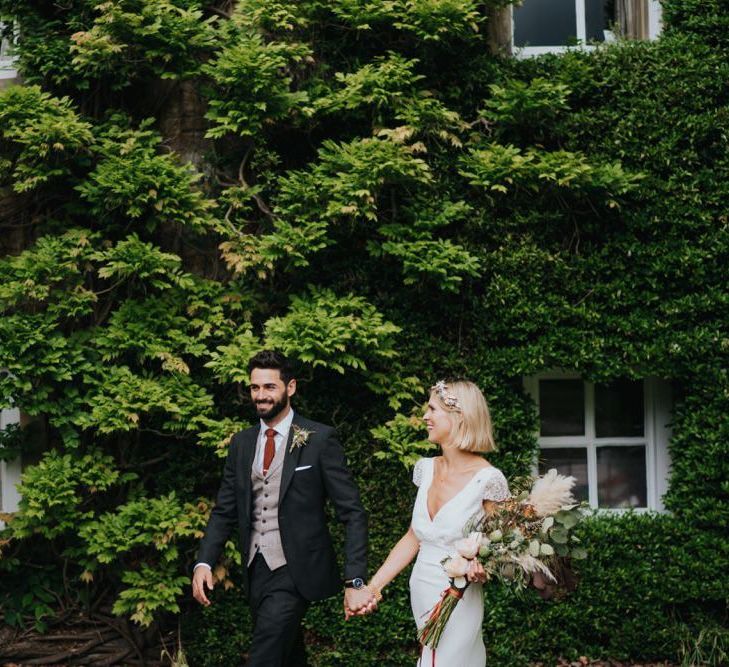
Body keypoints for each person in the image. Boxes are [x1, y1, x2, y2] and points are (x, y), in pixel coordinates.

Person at [192, 350, 375, 666]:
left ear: (290, 388)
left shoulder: (319, 440)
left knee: (264, 654)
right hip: (255, 568)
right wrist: (204, 562)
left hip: (296, 569)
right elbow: (225, 508)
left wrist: (355, 578)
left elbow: (352, 512)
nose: (260, 396)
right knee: (287, 654)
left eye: (269, 387)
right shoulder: (242, 443)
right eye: (255, 388)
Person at [366, 380, 510, 666]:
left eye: (433, 409)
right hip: (421, 588)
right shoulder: (426, 469)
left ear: (459, 416)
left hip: (459, 595)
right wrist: (373, 588)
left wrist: (484, 567)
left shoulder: (489, 480)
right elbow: (413, 537)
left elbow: (504, 547)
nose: (426, 417)